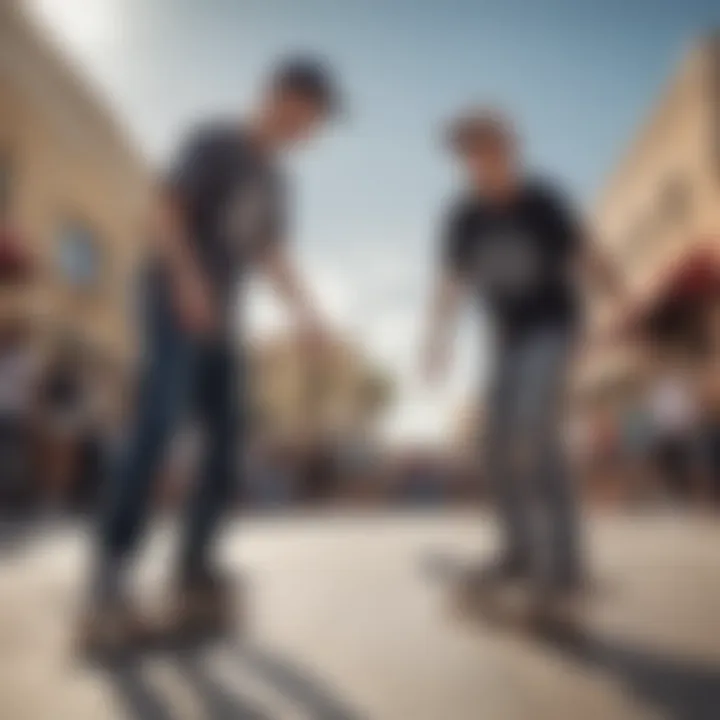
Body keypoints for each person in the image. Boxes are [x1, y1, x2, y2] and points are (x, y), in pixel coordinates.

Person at [80, 56, 341, 654]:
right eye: (306, 115)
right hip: (173, 289)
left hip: (222, 315)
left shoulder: (279, 181)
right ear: (278, 95)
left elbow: (271, 253)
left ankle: (193, 568)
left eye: (316, 125)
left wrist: (307, 314)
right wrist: (189, 280)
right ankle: (110, 576)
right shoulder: (216, 139)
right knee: (160, 420)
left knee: (227, 439)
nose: (307, 132)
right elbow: (167, 212)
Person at [421, 109, 624, 623]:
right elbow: (452, 283)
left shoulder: (542, 202)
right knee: (494, 442)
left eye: (489, 148)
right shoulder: (463, 216)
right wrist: (436, 339)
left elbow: (586, 253)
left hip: (553, 329)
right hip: (505, 342)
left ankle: (563, 571)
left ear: (510, 147)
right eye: (469, 153)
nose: (481, 161)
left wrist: (623, 299)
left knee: (534, 429)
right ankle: (519, 554)